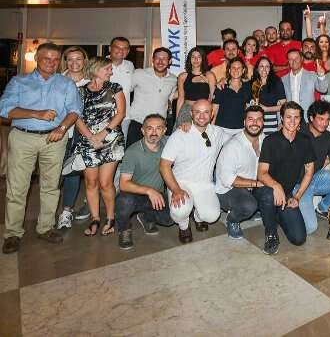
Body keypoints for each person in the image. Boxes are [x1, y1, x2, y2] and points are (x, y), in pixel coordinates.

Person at [1, 43, 82, 254]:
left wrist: (62, 128)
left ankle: (45, 227)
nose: (51, 63)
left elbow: (74, 110)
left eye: (55, 59)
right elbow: (5, 109)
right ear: (37, 58)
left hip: (54, 139)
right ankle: (12, 233)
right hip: (23, 137)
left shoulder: (66, 83)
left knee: (51, 186)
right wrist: (35, 113)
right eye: (47, 58)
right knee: (17, 188)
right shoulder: (19, 81)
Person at [159, 99, 229, 244]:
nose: (202, 116)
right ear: (191, 114)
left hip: (204, 184)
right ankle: (184, 226)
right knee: (180, 210)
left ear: (212, 114)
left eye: (206, 112)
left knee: (212, 216)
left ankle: (198, 217)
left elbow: (237, 140)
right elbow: (164, 165)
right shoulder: (180, 134)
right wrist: (176, 190)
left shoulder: (218, 132)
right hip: (180, 183)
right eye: (197, 112)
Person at [73, 57, 126, 237]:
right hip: (88, 141)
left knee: (106, 183)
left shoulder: (115, 88)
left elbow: (121, 114)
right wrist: (91, 137)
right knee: (91, 183)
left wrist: (103, 134)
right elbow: (76, 117)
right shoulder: (80, 91)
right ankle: (95, 218)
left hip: (111, 141)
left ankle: (110, 218)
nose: (111, 71)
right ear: (96, 69)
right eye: (107, 69)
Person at [256, 101, 315, 254]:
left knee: (299, 238)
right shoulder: (270, 141)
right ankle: (271, 233)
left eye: (296, 117)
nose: (292, 121)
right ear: (282, 118)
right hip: (266, 188)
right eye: (289, 117)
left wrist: (297, 197)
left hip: (287, 193)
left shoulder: (305, 141)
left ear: (301, 119)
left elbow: (309, 171)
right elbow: (261, 173)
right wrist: (276, 186)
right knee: (269, 195)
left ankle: (277, 215)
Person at [115, 114, 175, 250]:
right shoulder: (133, 151)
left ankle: (146, 216)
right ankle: (124, 229)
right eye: (149, 128)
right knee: (124, 202)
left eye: (158, 128)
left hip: (158, 195)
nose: (154, 132)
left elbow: (185, 136)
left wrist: (185, 126)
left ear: (164, 130)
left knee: (170, 219)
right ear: (143, 130)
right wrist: (149, 191)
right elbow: (123, 184)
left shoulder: (168, 143)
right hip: (135, 194)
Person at [299, 100, 330, 234]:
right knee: (310, 228)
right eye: (321, 119)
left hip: (315, 177)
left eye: (327, 119)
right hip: (298, 184)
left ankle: (322, 208)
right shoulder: (299, 131)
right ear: (311, 118)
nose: (325, 123)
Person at [214, 106, 265, 240]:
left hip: (250, 186)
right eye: (251, 119)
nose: (255, 123)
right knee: (248, 205)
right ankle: (232, 219)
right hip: (227, 190)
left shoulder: (263, 139)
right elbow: (227, 180)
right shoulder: (233, 146)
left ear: (263, 122)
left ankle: (252, 209)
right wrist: (256, 183)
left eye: (259, 119)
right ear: (244, 122)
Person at [55, 46, 89, 230]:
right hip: (58, 134)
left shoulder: (91, 82)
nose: (74, 63)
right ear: (65, 61)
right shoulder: (56, 80)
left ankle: (66, 211)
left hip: (81, 135)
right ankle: (48, 211)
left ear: (85, 61)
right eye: (70, 59)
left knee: (72, 173)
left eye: (78, 59)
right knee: (54, 175)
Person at [126, 47, 177, 147]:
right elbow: (125, 92)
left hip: (159, 127)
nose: (160, 61)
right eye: (157, 58)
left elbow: (170, 98)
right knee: (132, 154)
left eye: (164, 58)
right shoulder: (139, 73)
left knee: (156, 155)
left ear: (170, 61)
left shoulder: (173, 79)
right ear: (153, 59)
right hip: (138, 123)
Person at [175, 47, 216, 126]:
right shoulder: (182, 76)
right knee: (182, 132)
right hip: (186, 110)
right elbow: (180, 98)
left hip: (203, 111)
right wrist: (177, 119)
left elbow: (213, 98)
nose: (196, 59)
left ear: (202, 59)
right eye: (193, 57)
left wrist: (211, 116)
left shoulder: (209, 75)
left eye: (199, 57)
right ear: (189, 59)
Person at [281, 49, 327, 118]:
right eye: (290, 59)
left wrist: (321, 76)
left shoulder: (311, 75)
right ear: (288, 61)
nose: (294, 61)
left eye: (296, 58)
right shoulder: (283, 79)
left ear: (302, 59)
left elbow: (323, 89)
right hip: (290, 117)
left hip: (307, 116)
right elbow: (281, 102)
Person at [211, 57, 252, 136]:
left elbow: (248, 109)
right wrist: (211, 131)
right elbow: (214, 111)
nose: (236, 70)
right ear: (229, 70)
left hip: (240, 130)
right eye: (233, 68)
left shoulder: (247, 87)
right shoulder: (221, 86)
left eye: (239, 68)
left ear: (243, 70)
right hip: (222, 129)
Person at [251, 56, 286, 135]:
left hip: (271, 122)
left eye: (267, 66)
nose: (264, 69)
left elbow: (283, 106)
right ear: (257, 68)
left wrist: (266, 109)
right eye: (261, 66)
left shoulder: (276, 82)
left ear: (270, 69)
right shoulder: (251, 83)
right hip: (254, 122)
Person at [109, 37, 134, 138]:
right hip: (103, 116)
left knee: (121, 144)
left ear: (128, 51)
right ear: (110, 48)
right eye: (117, 47)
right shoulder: (100, 63)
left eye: (124, 48)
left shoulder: (130, 65)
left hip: (125, 116)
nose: (121, 51)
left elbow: (131, 88)